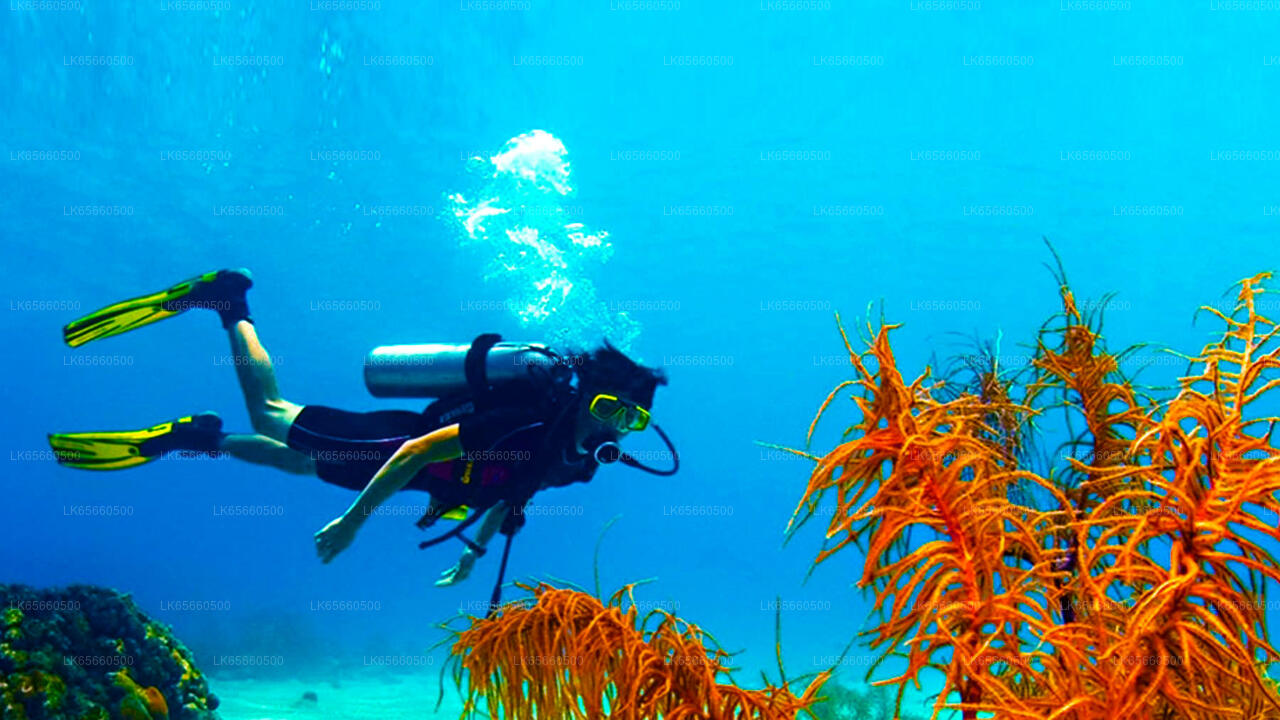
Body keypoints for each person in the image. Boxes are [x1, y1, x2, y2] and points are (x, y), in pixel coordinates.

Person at [49, 269, 675, 589]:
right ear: (585, 397)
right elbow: (419, 449)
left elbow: (516, 493)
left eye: (633, 418)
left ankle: (200, 437)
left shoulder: (577, 461)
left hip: (405, 477)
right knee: (271, 414)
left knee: (296, 462)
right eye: (609, 406)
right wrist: (353, 522)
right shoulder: (522, 422)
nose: (616, 425)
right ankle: (228, 301)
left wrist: (474, 552)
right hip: (391, 447)